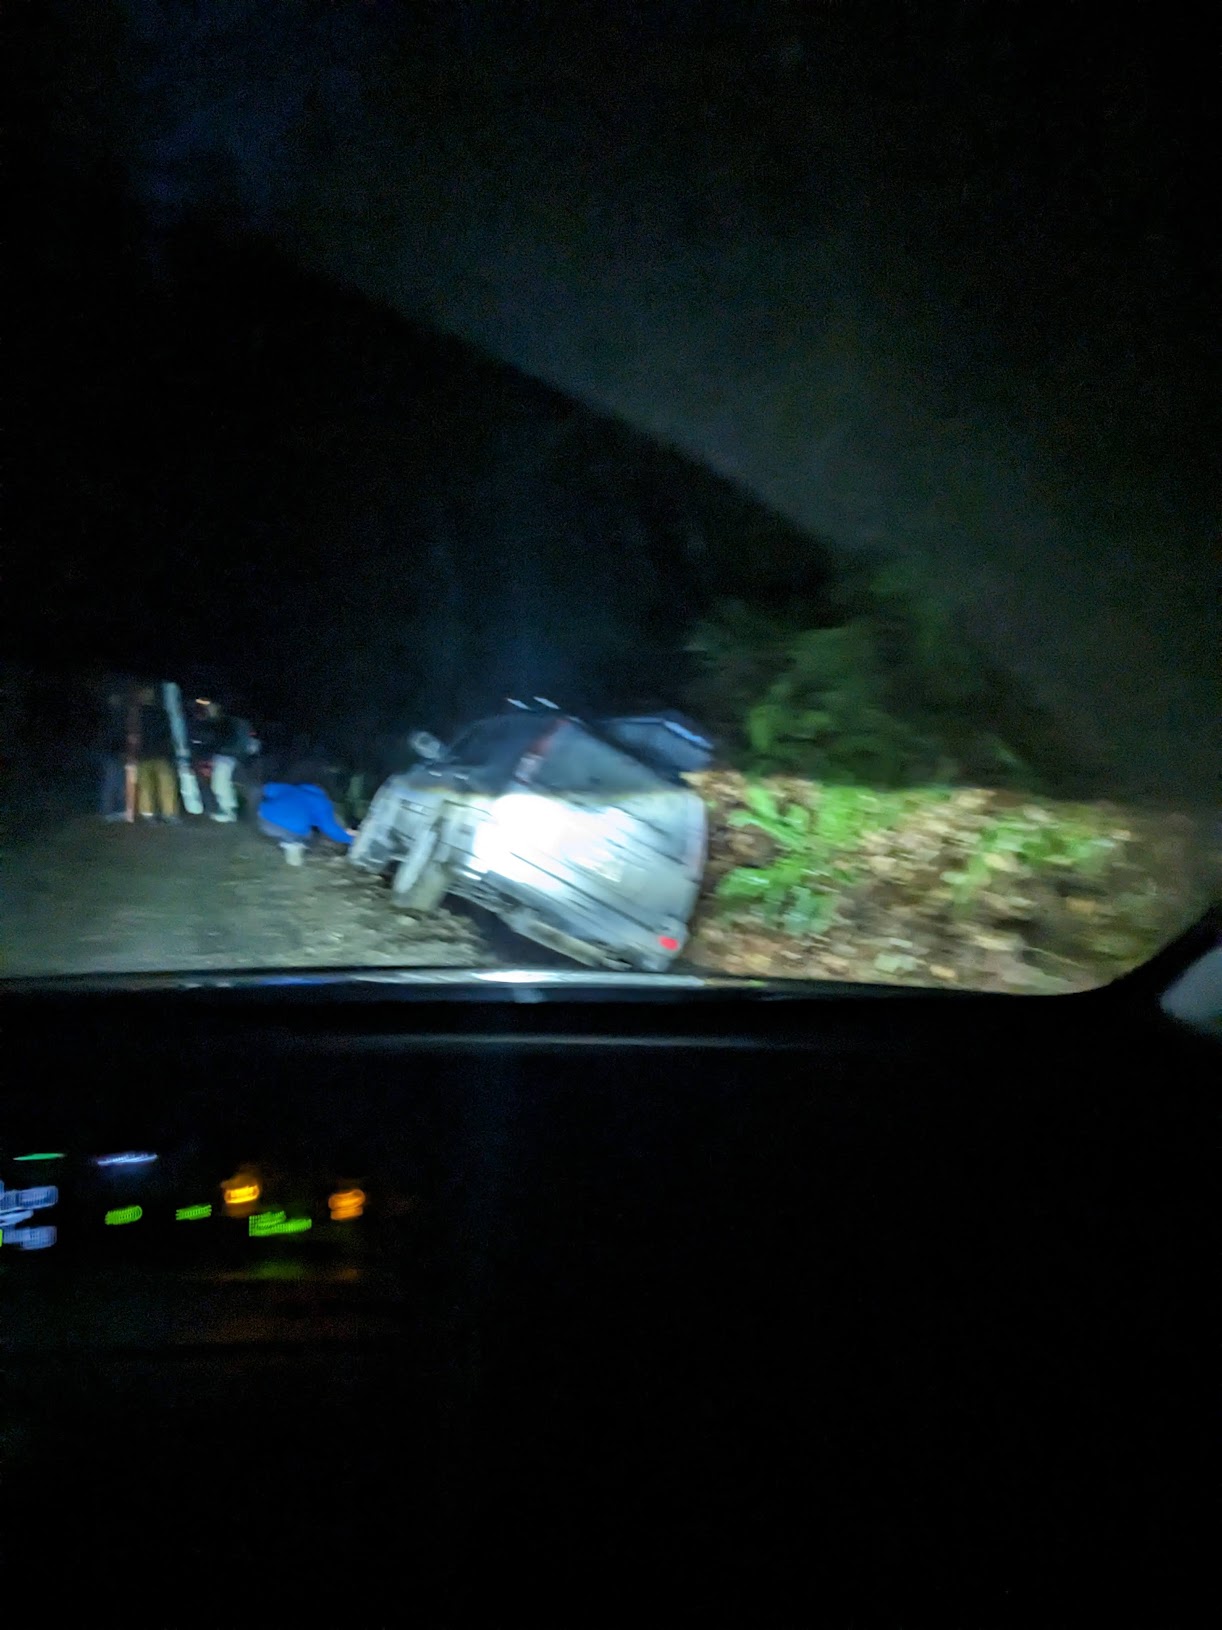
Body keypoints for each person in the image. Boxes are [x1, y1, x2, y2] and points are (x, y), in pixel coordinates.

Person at [257, 778, 354, 865]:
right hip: (293, 828)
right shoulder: (322, 802)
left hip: (264, 822)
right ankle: (292, 844)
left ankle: (283, 840)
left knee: (286, 824)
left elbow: (266, 788)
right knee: (307, 833)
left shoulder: (287, 788)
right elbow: (331, 829)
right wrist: (352, 839)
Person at [200, 701, 259, 822]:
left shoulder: (224, 722)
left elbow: (218, 741)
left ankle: (228, 811)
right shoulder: (238, 722)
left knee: (221, 784)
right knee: (224, 784)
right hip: (232, 756)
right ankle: (228, 809)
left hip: (226, 756)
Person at [134, 685, 179, 822]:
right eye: (145, 693)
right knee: (146, 786)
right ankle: (148, 814)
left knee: (166, 784)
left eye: (149, 693)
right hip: (144, 754)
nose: (148, 696)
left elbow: (167, 733)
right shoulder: (136, 713)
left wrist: (169, 750)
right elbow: (133, 735)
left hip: (160, 754)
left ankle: (169, 813)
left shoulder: (160, 712)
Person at [96, 686, 133, 821]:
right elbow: (112, 736)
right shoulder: (112, 716)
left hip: (113, 752)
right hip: (111, 753)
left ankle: (114, 810)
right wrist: (121, 751)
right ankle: (109, 812)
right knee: (112, 782)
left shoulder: (112, 715)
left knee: (116, 782)